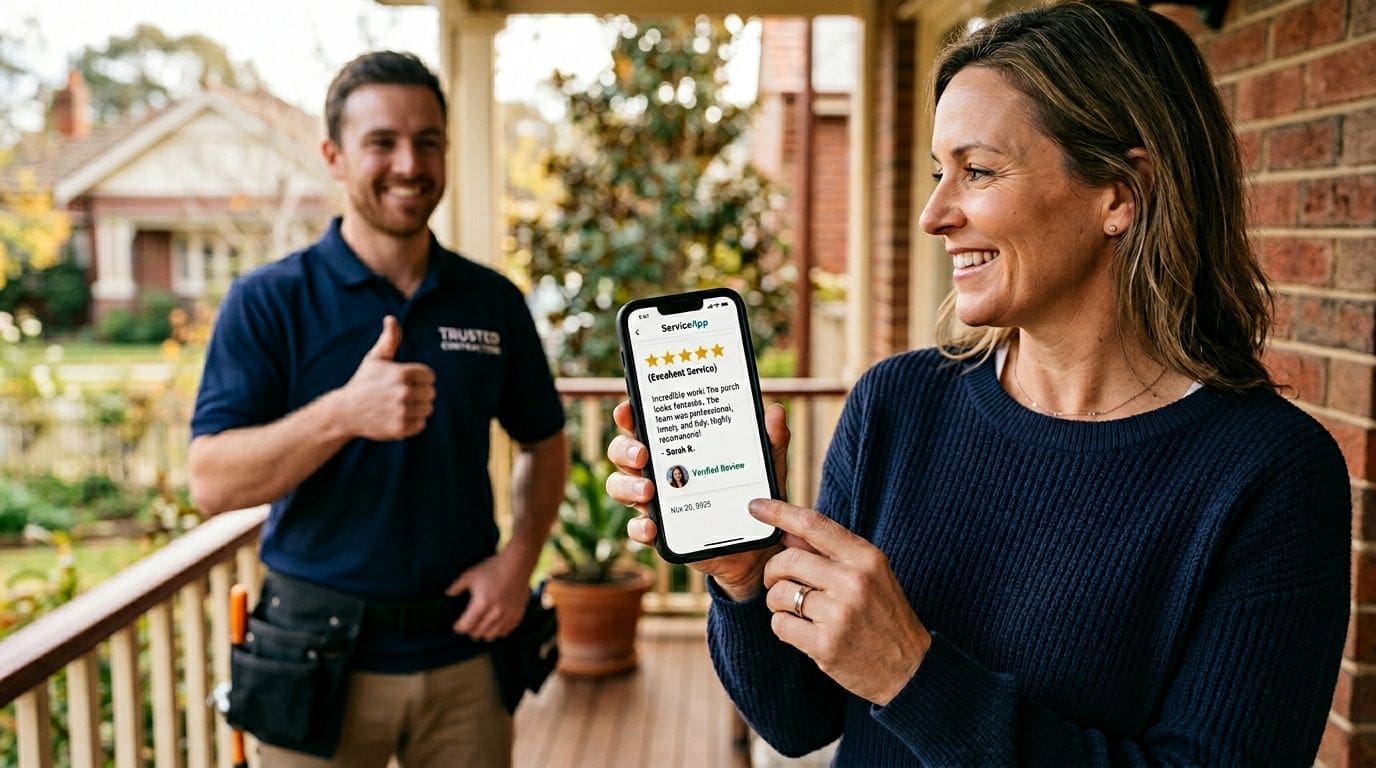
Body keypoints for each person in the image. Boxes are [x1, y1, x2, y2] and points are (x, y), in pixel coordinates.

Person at [606, 1, 1350, 764]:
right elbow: (800, 720)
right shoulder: (897, 405)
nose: (935, 214)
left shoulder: (1272, 475)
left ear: (1120, 195)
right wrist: (741, 578)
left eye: (978, 171)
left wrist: (914, 675)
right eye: (938, 173)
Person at [188, 50, 568, 767]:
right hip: (316, 662)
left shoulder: (492, 301)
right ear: (333, 156)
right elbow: (211, 481)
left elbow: (544, 442)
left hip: (466, 658)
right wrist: (343, 413)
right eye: (382, 143)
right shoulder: (269, 301)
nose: (408, 163)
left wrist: (518, 563)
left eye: (427, 142)